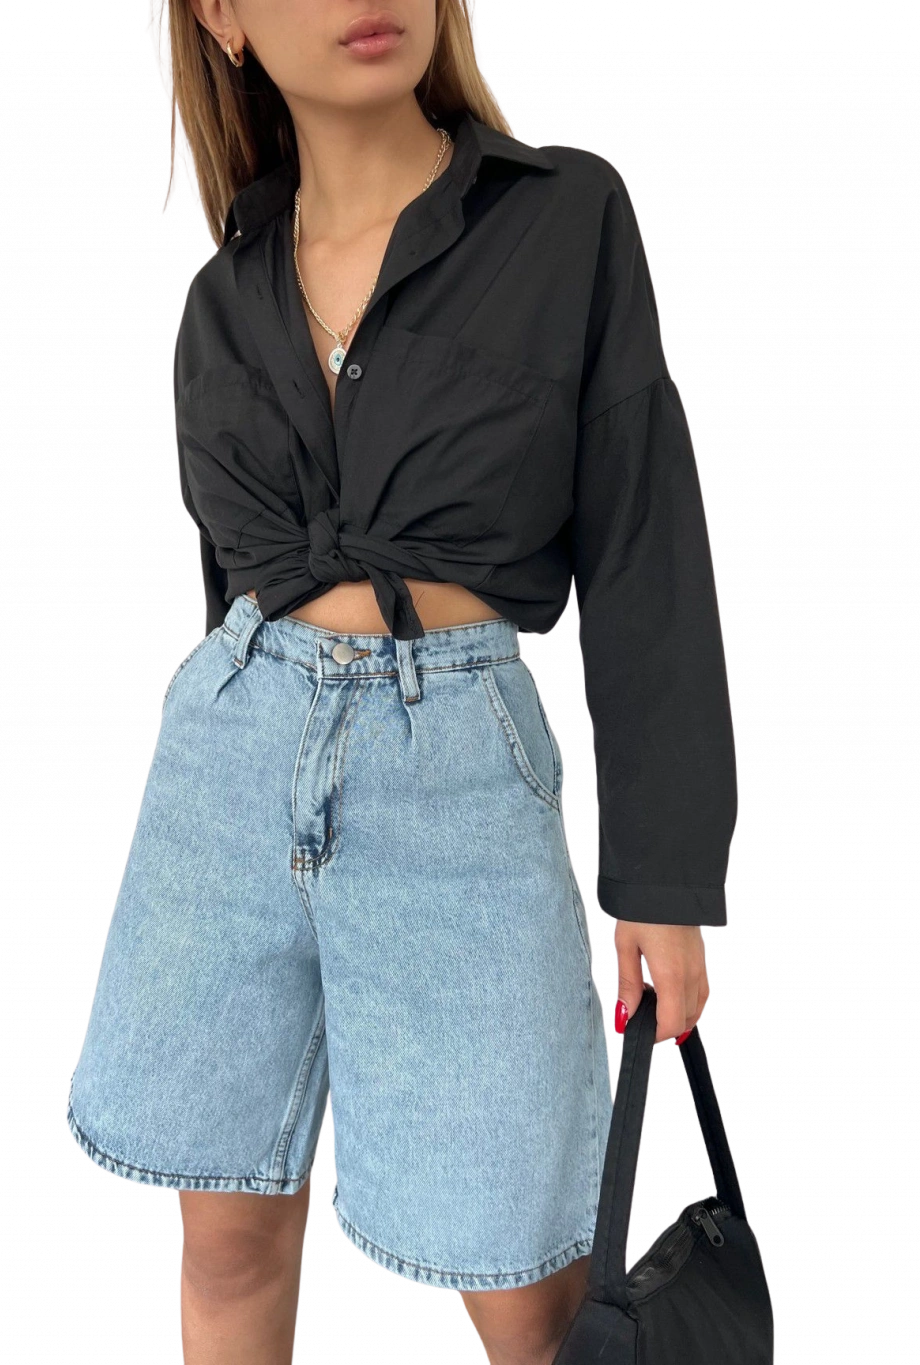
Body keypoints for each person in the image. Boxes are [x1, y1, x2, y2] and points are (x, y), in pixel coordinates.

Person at [66, 3, 737, 1362]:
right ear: (223, 20)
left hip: (458, 779)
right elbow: (228, 594)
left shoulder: (566, 217)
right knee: (228, 1237)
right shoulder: (218, 298)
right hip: (224, 778)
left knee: (523, 1275)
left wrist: (662, 880)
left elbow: (645, 547)